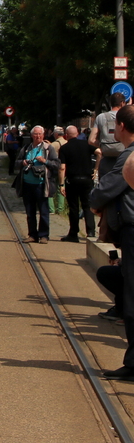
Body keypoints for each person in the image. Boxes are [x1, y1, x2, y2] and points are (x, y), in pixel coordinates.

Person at [91, 105, 134, 379]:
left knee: (131, 299)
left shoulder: (129, 156)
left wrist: (95, 200)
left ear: (120, 126)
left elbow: (107, 188)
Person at [18, 125, 59, 244]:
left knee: (44, 211)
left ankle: (44, 235)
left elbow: (57, 164)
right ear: (31, 136)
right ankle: (32, 234)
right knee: (30, 212)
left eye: (40, 134)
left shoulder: (48, 148)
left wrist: (45, 161)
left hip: (42, 184)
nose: (38, 136)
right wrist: (23, 162)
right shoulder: (26, 148)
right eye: (35, 134)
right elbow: (17, 162)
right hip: (27, 184)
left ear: (43, 135)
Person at [59, 125, 97, 241]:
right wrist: (96, 169)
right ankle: (90, 232)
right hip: (87, 180)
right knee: (88, 206)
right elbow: (99, 152)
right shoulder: (87, 145)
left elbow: (62, 168)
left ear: (66, 135)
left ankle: (73, 233)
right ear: (78, 133)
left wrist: (61, 184)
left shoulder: (64, 148)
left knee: (73, 207)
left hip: (72, 180)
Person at [93, 92, 127, 178]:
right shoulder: (126, 116)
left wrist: (102, 145)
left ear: (110, 103)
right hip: (124, 157)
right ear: (122, 103)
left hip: (106, 158)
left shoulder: (100, 117)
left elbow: (91, 140)